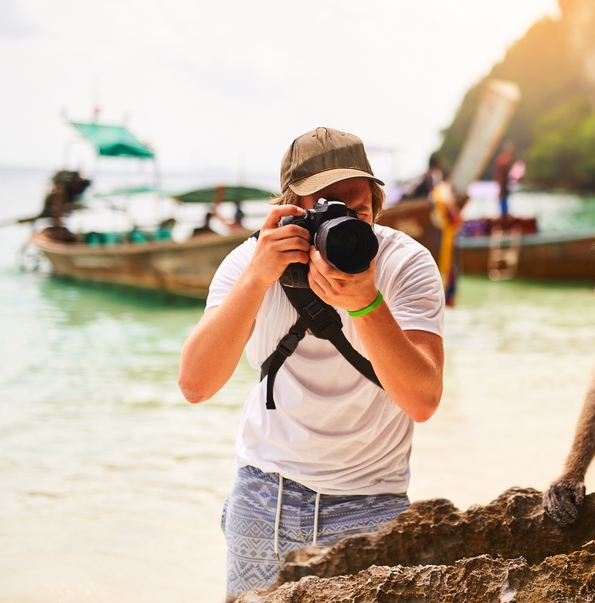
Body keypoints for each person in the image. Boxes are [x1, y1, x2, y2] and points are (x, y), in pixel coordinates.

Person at [177, 127, 445, 601]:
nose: (342, 223)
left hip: (371, 504)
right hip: (264, 497)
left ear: (376, 208)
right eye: (325, 208)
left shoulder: (404, 263)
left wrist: (366, 304)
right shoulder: (250, 262)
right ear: (289, 209)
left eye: (356, 210)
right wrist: (258, 278)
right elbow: (196, 385)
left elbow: (422, 400)